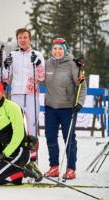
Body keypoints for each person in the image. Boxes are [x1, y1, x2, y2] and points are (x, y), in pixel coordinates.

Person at [0, 80, 42, 186]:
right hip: (3, 149)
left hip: (18, 151)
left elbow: (19, 136)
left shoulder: (12, 107)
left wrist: (5, 154)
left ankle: (25, 170)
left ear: (2, 93)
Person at [44, 38, 87, 179]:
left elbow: (82, 85)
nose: (57, 51)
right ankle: (54, 167)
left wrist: (79, 102)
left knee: (69, 139)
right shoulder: (47, 65)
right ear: (52, 50)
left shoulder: (73, 65)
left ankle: (71, 168)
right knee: (50, 137)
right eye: (55, 49)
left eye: (60, 49)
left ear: (65, 50)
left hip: (67, 108)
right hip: (50, 107)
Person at [7, 28, 45, 164]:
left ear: (30, 39)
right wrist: (6, 65)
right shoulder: (13, 54)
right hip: (16, 95)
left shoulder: (37, 54)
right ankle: (16, 159)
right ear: (17, 40)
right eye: (20, 38)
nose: (22, 40)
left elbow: (41, 77)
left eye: (25, 37)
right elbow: (6, 77)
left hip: (31, 96)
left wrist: (39, 64)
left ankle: (33, 161)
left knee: (32, 129)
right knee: (16, 129)